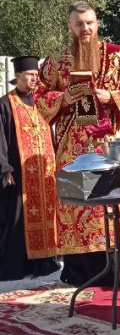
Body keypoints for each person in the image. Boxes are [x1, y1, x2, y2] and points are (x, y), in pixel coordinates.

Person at [35, 1, 120, 286]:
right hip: (73, 145)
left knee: (113, 202)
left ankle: (117, 270)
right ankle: (81, 271)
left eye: (90, 23)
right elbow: (38, 98)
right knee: (78, 205)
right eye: (79, 24)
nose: (85, 29)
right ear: (70, 27)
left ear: (97, 24)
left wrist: (109, 96)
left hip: (110, 143)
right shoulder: (56, 62)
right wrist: (63, 99)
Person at [0, 56, 60, 281]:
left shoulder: (42, 103)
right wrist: (5, 169)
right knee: (17, 221)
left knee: (47, 216)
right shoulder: (5, 104)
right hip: (20, 174)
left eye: (36, 75)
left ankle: (45, 262)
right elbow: (0, 140)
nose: (35, 78)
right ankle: (18, 266)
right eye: (30, 75)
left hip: (44, 175)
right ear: (17, 76)